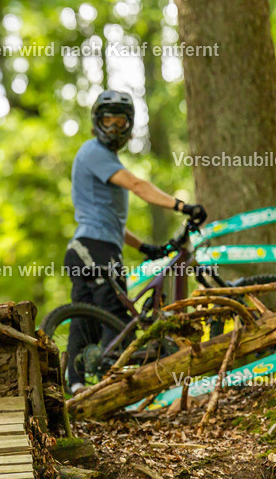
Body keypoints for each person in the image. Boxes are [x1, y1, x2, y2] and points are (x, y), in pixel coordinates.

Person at [64, 89, 206, 394]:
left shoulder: (103, 160)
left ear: (129, 127)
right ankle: (108, 385)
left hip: (88, 247)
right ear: (97, 123)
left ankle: (76, 386)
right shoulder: (94, 152)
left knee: (86, 316)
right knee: (115, 317)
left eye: (121, 123)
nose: (114, 128)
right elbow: (138, 185)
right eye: (108, 121)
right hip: (94, 248)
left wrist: (145, 248)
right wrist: (183, 206)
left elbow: (111, 223)